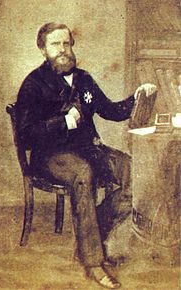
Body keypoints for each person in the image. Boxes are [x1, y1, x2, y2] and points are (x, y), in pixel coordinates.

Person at [16, 22, 157, 289]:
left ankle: (90, 239)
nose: (62, 50)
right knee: (83, 173)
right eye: (55, 44)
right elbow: (26, 134)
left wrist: (136, 98)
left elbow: (110, 111)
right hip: (50, 157)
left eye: (66, 43)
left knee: (130, 169)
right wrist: (62, 122)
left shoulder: (84, 79)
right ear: (43, 49)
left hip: (87, 151)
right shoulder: (33, 84)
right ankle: (93, 262)